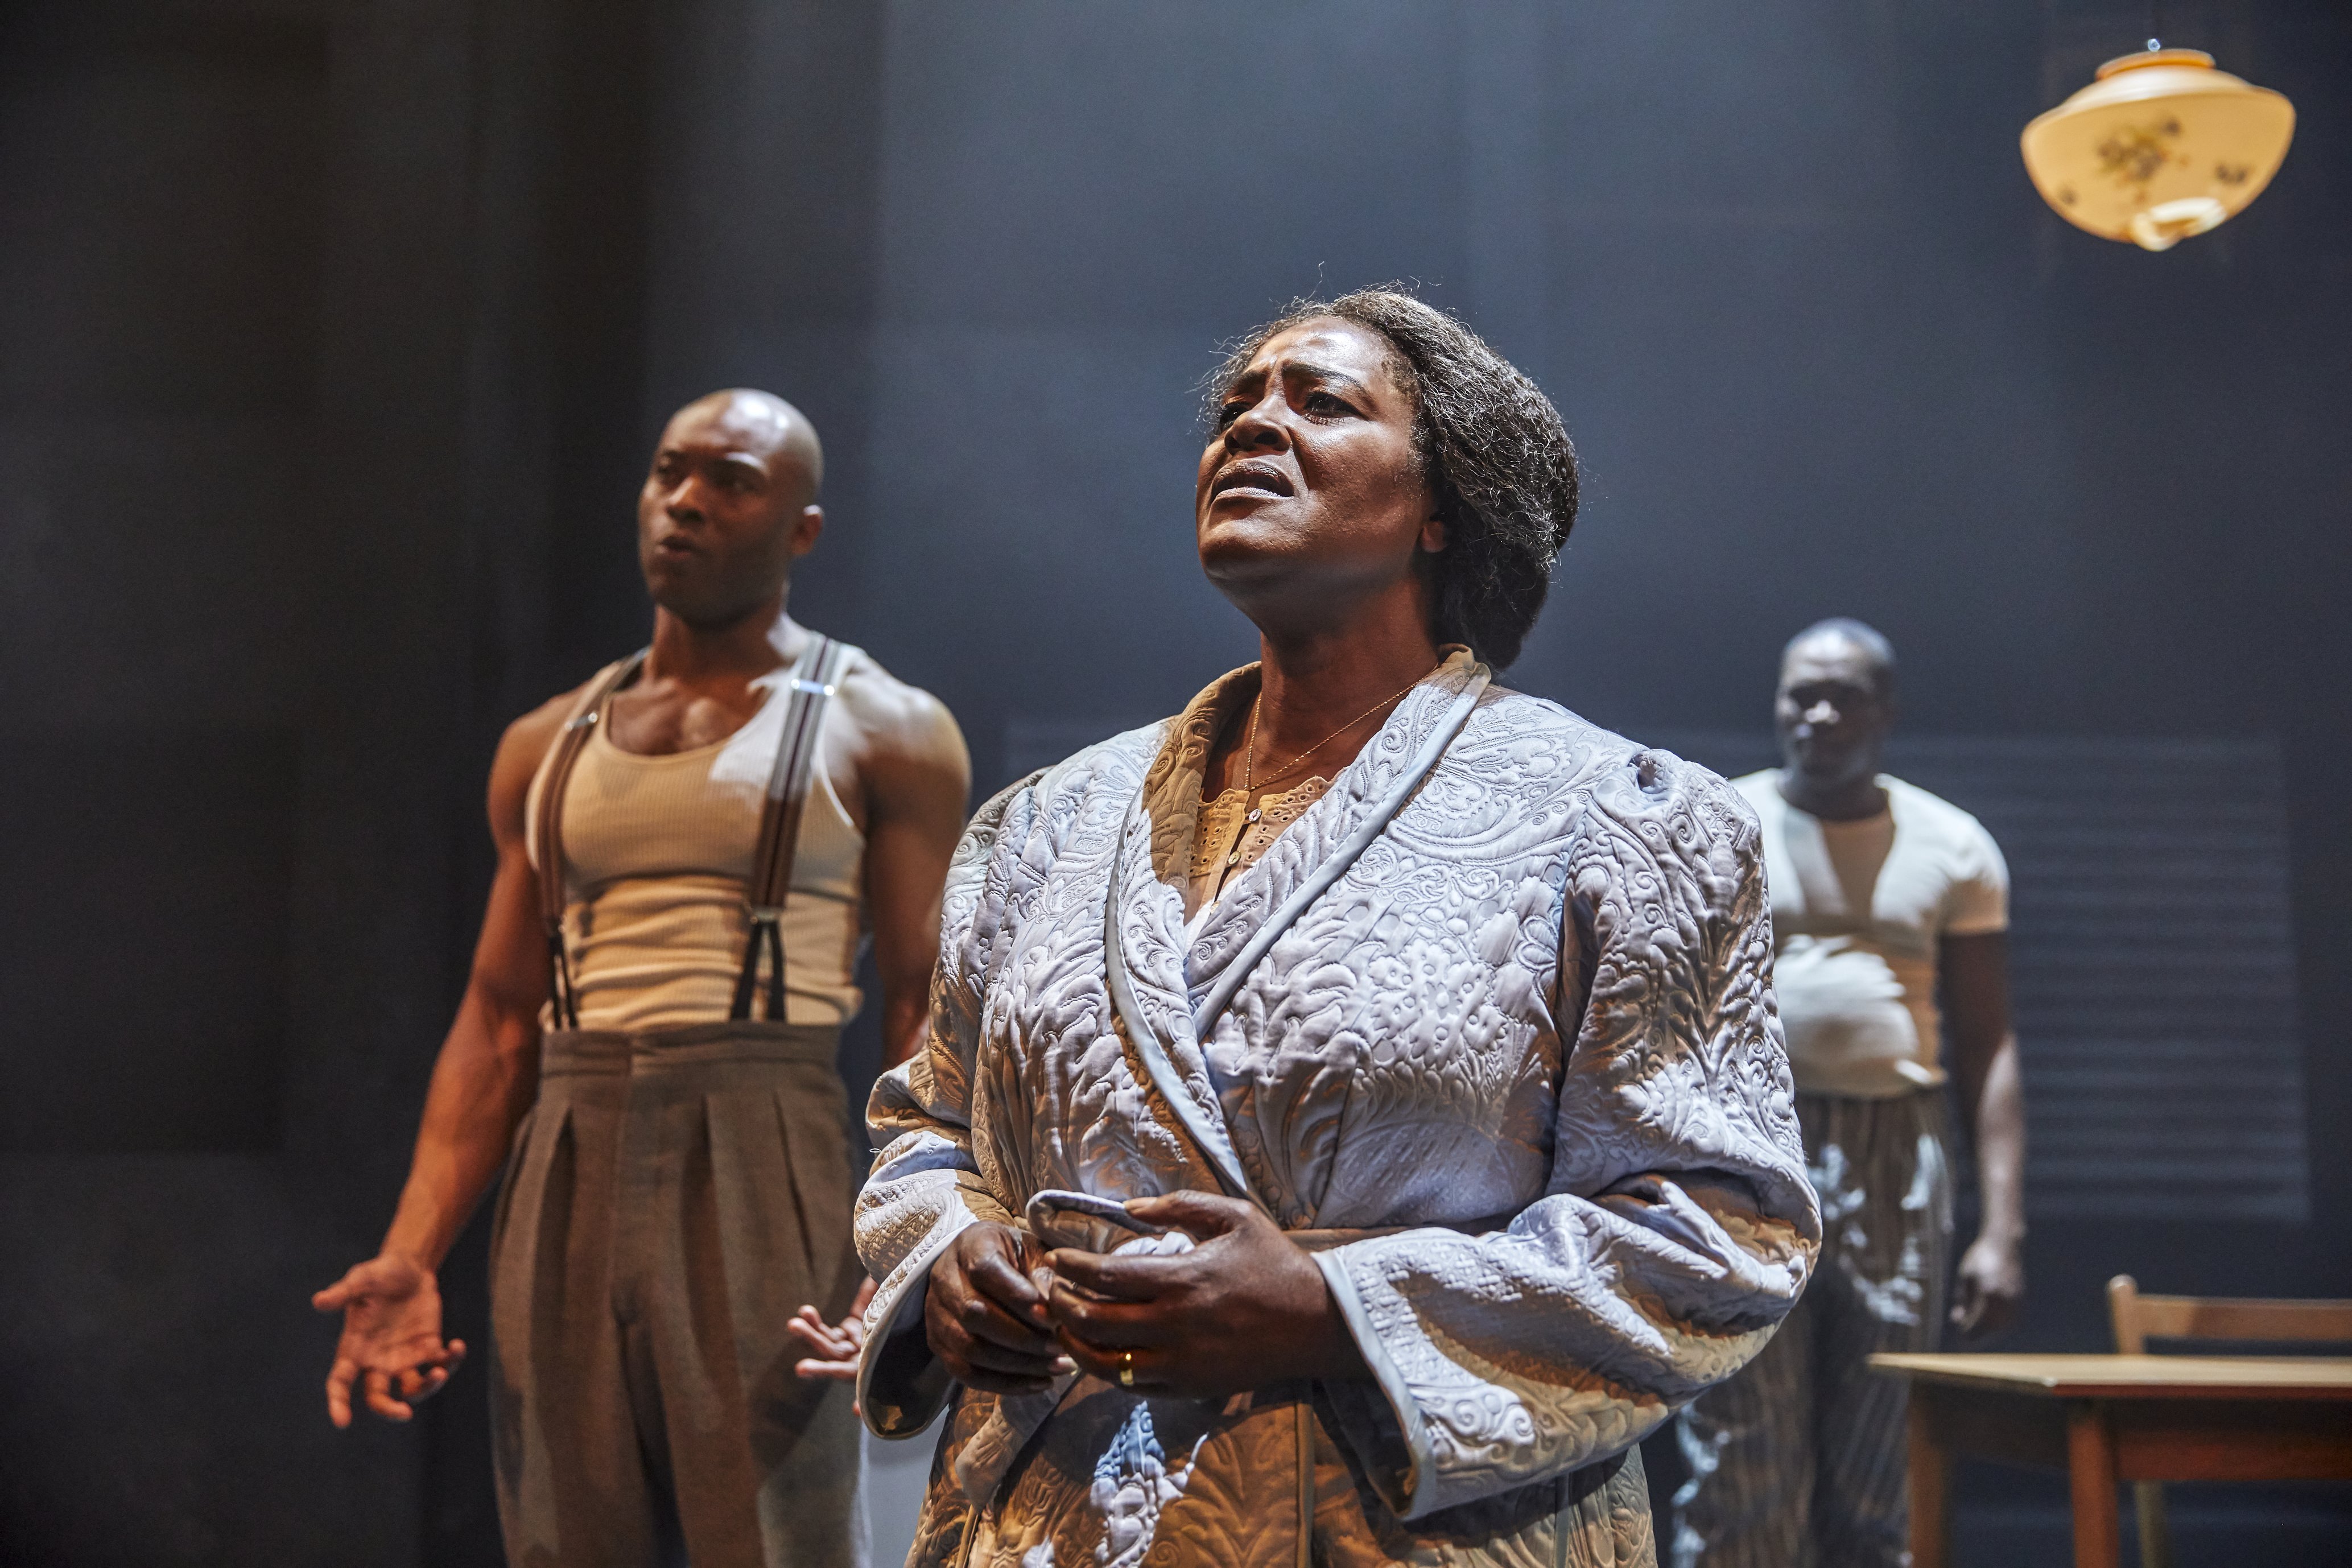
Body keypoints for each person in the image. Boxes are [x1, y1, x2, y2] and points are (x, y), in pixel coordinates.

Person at [850, 290, 1821, 1567]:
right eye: (1235, 405)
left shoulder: (1622, 821)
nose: (1252, 424)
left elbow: (1722, 1223)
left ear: (1440, 507)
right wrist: (954, 1257)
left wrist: (1332, 1306)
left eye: (1321, 402)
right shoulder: (1045, 825)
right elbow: (929, 1124)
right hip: (1060, 1520)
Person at [311, 389, 971, 1568]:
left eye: (730, 480)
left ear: (801, 529)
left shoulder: (885, 727)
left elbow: (923, 1004)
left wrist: (906, 1244)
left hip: (765, 1137)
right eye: (670, 472)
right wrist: (412, 1252)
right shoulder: (548, 741)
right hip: (569, 1137)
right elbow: (502, 1017)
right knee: (563, 1533)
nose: (687, 502)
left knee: (776, 1536)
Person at [1669, 618, 2025, 1568]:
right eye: (1801, 694)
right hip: (1746, 1155)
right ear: (1777, 704)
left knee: (1883, 1456)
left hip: (1894, 1151)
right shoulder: (1718, 823)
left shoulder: (1951, 843)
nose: (1819, 714)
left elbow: (1989, 1043)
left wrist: (2001, 1227)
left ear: (1885, 712)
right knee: (1742, 1455)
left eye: (1845, 696)